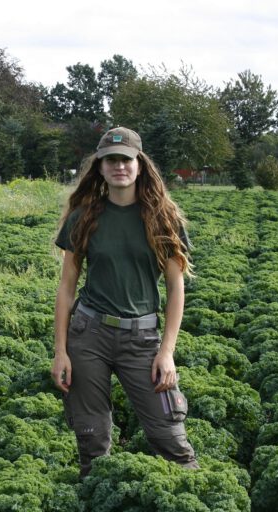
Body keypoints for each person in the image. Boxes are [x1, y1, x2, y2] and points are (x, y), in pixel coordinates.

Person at [50, 126, 198, 477]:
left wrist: (167, 352)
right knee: (92, 439)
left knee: (169, 435)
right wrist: (61, 350)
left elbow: (176, 289)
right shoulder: (83, 217)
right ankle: (95, 495)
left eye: (126, 160)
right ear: (100, 167)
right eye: (111, 160)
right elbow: (67, 288)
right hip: (89, 335)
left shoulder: (164, 219)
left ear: (139, 165)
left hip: (142, 339)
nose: (119, 166)